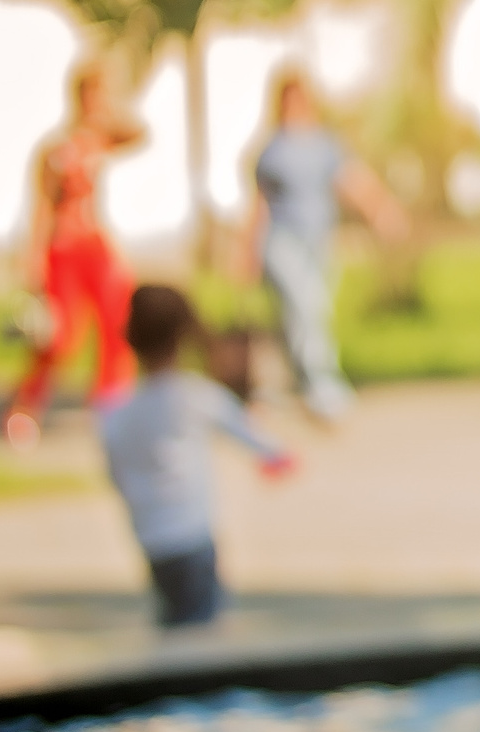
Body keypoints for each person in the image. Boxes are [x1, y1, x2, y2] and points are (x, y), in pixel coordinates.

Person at [98, 284, 296, 627]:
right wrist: (277, 454)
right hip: (192, 535)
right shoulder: (196, 396)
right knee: (202, 630)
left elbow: (115, 474)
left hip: (149, 538)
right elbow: (259, 441)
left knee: (174, 619)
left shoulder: (114, 411)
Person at [240, 70, 407, 422]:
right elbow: (258, 204)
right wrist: (247, 249)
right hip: (280, 241)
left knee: (308, 312)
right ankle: (322, 385)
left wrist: (382, 211)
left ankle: (295, 383)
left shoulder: (324, 144)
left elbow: (354, 181)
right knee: (304, 306)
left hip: (317, 240)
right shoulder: (271, 149)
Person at [4, 61, 148, 445]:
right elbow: (42, 207)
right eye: (91, 94)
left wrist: (109, 110)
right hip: (63, 247)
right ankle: (24, 407)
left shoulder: (100, 140)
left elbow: (141, 132)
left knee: (118, 319)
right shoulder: (56, 149)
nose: (94, 102)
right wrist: (32, 258)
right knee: (59, 337)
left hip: (95, 243)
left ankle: (111, 404)